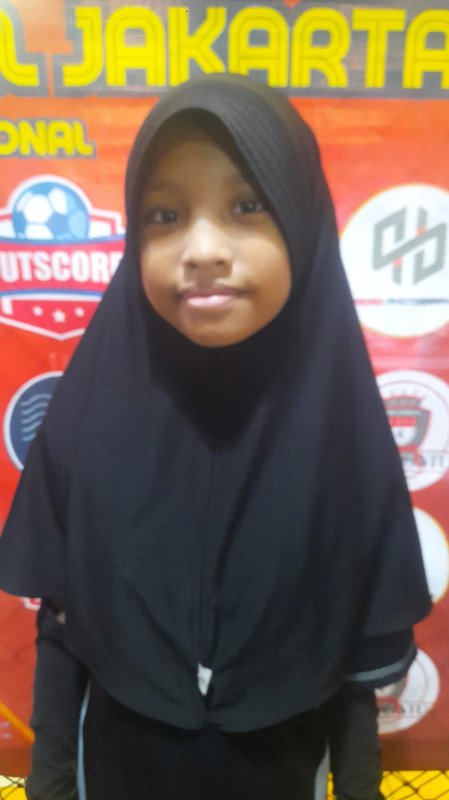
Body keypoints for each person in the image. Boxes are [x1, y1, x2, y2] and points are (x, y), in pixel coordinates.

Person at [0, 74, 431, 800]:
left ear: (301, 222)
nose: (201, 248)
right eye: (165, 215)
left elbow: (352, 657)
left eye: (246, 205)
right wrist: (49, 788)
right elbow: (64, 629)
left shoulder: (342, 449)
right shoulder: (90, 423)